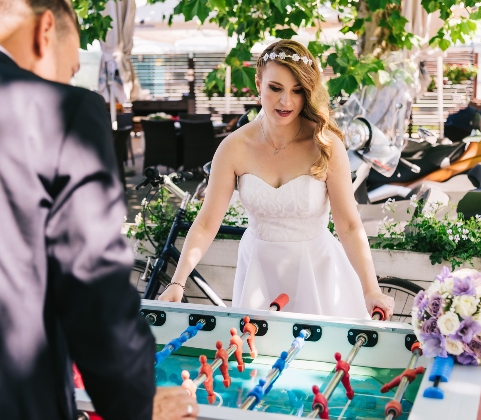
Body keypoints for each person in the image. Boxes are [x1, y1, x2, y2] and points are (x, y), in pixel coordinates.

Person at [0, 1, 197, 419]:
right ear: (45, 30)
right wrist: (136, 402)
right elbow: (94, 287)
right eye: (68, 68)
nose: (67, 79)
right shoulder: (64, 111)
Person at [159, 40, 394, 319]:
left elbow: (350, 225)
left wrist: (371, 289)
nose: (286, 102)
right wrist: (177, 282)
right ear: (258, 82)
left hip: (318, 271)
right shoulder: (234, 147)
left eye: (297, 91)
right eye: (275, 88)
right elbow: (208, 222)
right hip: (258, 270)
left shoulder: (326, 144)